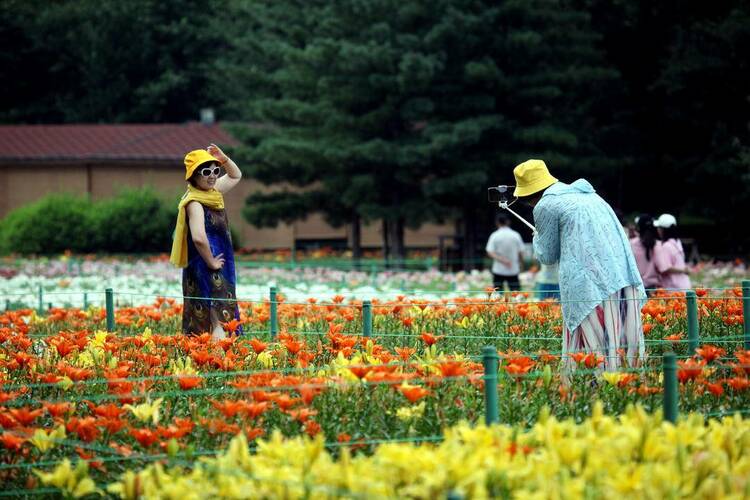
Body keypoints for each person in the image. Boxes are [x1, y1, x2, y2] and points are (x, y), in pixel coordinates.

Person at [512, 159, 646, 370]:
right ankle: (624, 383)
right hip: (619, 277)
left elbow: (547, 255)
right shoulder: (588, 195)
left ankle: (593, 388)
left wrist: (537, 237)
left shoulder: (546, 205)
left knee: (592, 351)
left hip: (588, 287)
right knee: (620, 342)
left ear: (528, 195)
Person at [170, 144, 243, 339]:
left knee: (220, 313)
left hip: (218, 260)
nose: (212, 175)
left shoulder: (212, 193)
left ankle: (221, 358)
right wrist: (211, 262)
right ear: (193, 175)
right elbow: (199, 237)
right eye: (206, 171)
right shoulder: (194, 202)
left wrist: (224, 159)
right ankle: (218, 359)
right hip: (206, 263)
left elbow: (236, 175)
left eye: (215, 170)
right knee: (215, 315)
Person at [485, 213, 525, 291]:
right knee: (516, 296)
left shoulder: (495, 235)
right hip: (513, 269)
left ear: (497, 222)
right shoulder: (516, 235)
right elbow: (521, 252)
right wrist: (521, 264)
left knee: (497, 297)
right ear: (508, 222)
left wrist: (502, 260)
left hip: (498, 270)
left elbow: (490, 252)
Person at [652, 213, 691, 290]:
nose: (658, 230)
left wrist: (683, 270)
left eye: (659, 228)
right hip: (684, 284)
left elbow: (665, 268)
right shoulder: (677, 242)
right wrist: (684, 270)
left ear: (663, 230)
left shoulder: (666, 246)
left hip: (673, 288)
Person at [630, 214, 662, 293]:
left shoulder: (630, 245)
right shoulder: (659, 245)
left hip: (636, 290)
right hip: (656, 290)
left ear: (638, 228)